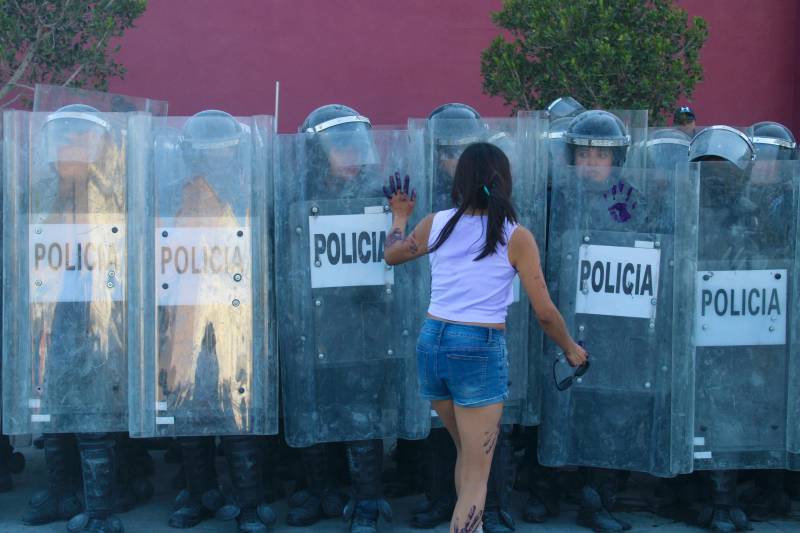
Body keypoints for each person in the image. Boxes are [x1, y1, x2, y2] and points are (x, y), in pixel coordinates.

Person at [384, 142, 586, 533]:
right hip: (477, 348)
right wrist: (571, 349)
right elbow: (544, 312)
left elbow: (393, 255)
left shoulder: (435, 223)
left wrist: (398, 217)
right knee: (478, 477)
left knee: (467, 455)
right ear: (503, 181)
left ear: (460, 182)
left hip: (433, 342)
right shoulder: (516, 236)